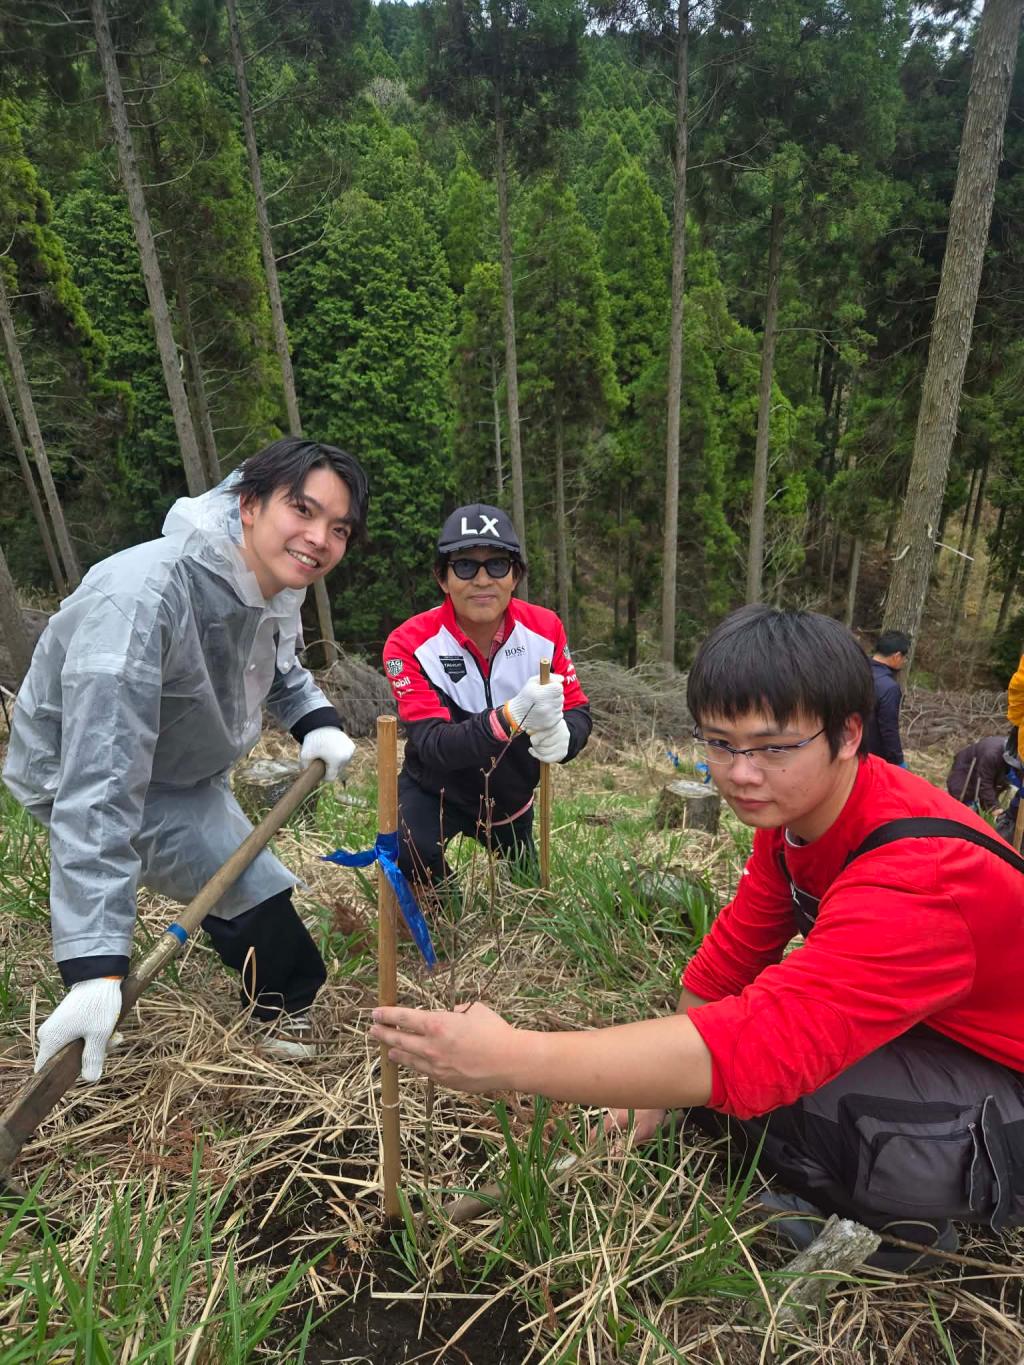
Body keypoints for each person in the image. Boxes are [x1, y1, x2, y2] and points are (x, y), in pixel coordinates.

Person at [370, 606, 1024, 1267]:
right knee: (710, 1077)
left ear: (849, 733)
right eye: (721, 743)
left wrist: (510, 1056)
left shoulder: (918, 871)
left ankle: (903, 1229)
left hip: (1008, 1090)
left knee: (778, 1085)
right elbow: (724, 966)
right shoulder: (798, 818)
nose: (741, 773)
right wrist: (653, 1092)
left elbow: (760, 1047)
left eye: (773, 746)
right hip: (943, 1038)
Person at [4, 437, 368, 1079]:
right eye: (303, 511)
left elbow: (278, 665)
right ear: (249, 504)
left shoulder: (272, 581)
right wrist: (95, 964)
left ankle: (284, 1012)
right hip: (82, 773)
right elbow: (99, 781)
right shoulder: (143, 599)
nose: (319, 539)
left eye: (338, 528)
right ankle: (97, 1001)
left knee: (255, 892)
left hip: (182, 769)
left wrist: (315, 722)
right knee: (232, 879)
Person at [382, 504, 591, 893]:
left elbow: (578, 708)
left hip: (512, 796)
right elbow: (431, 744)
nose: (482, 580)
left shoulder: (546, 629)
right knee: (406, 849)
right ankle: (447, 912)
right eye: (464, 566)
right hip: (435, 790)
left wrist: (567, 739)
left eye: (497, 565)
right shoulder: (408, 644)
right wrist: (511, 717)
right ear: (442, 578)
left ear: (515, 577)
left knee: (529, 885)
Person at [945, 730, 1022, 841]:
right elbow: (984, 783)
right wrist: (994, 807)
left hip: (990, 774)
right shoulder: (992, 754)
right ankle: (954, 835)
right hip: (966, 772)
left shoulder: (1017, 758)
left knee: (982, 808)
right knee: (963, 805)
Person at [864, 629, 911, 766]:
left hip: (846, 748)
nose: (904, 661)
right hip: (873, 759)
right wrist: (898, 761)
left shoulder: (856, 671)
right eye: (904, 657)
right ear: (896, 656)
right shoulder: (889, 688)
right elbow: (889, 730)